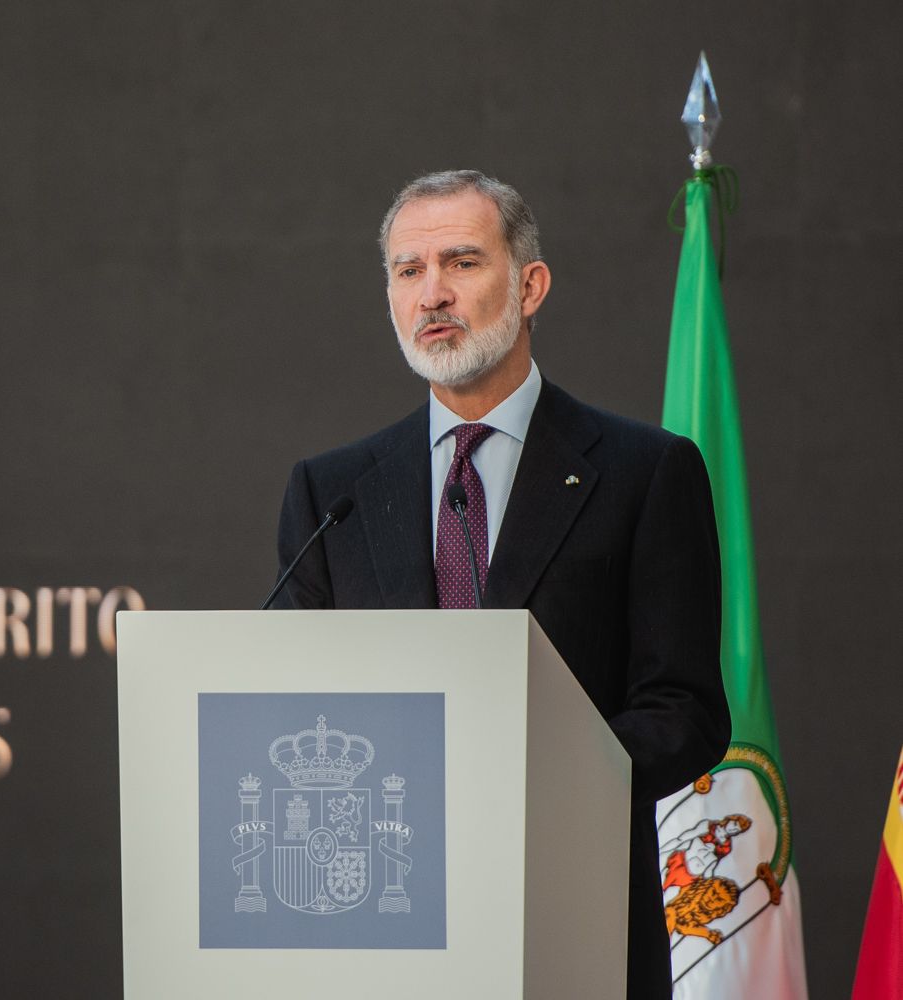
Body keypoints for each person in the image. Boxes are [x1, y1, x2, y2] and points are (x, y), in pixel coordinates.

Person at [271, 170, 731, 999]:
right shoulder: (332, 492)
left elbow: (684, 711)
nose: (432, 293)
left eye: (461, 262)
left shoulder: (645, 472)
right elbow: (294, 704)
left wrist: (534, 777)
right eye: (408, 271)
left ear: (530, 285)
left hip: (573, 920)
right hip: (381, 932)